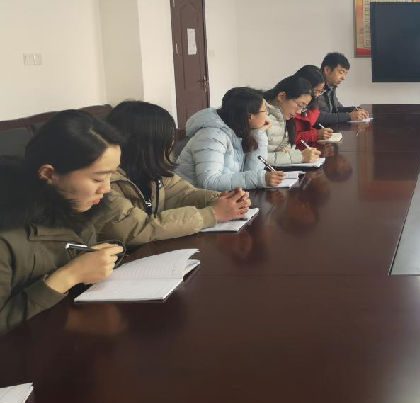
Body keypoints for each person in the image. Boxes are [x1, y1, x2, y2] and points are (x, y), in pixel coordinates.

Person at [0, 111, 125, 334]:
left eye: (111, 175)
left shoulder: (77, 208)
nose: (106, 188)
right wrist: (68, 276)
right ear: (49, 174)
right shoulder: (7, 237)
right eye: (98, 178)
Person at [96, 101, 251, 248]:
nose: (171, 146)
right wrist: (213, 214)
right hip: (124, 259)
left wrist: (224, 199)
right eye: (166, 142)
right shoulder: (103, 183)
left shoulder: (152, 171)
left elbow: (185, 194)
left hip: (152, 250)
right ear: (145, 146)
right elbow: (139, 229)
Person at [175, 87, 284, 190]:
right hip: (190, 199)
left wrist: (258, 134)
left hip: (217, 197)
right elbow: (209, 182)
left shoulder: (237, 131)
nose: (267, 115)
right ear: (250, 116)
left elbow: (250, 172)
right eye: (265, 110)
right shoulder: (212, 136)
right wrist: (259, 178)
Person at [262, 76, 321, 166]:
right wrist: (300, 156)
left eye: (303, 108)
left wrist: (292, 152)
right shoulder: (261, 118)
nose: (299, 112)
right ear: (282, 96)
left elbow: (285, 151)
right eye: (299, 105)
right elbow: (258, 158)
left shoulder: (285, 119)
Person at [317, 52, 369, 125]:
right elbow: (318, 117)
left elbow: (336, 109)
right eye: (341, 72)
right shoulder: (315, 86)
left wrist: (353, 110)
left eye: (345, 74)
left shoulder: (331, 85)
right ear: (327, 70)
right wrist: (349, 116)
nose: (343, 78)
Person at [293, 65, 333, 146]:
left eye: (320, 91)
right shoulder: (290, 104)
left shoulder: (312, 104)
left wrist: (318, 133)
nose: (317, 95)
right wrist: (315, 134)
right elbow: (288, 138)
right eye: (315, 91)